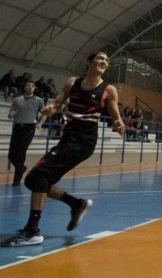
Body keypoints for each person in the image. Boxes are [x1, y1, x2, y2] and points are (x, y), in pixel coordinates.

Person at [1, 51, 125, 247]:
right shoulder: (72, 82)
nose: (104, 62)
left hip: (84, 142)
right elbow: (58, 102)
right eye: (100, 58)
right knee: (35, 180)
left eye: (107, 60)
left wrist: (119, 124)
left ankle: (32, 231)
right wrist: (52, 108)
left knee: (38, 176)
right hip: (68, 138)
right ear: (89, 61)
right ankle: (76, 205)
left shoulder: (108, 90)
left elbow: (116, 115)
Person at [7, 80, 46, 186]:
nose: (30, 87)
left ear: (34, 88)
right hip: (17, 127)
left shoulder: (38, 100)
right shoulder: (17, 100)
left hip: (29, 128)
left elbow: (45, 113)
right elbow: (9, 114)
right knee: (11, 155)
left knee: (21, 152)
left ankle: (16, 180)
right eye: (28, 85)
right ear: (24, 88)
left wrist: (40, 123)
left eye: (32, 86)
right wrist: (11, 114)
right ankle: (21, 168)